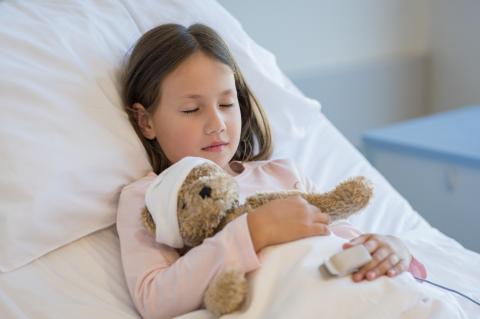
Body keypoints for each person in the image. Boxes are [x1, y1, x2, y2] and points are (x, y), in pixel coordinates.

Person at [117, 23, 426, 319]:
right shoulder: (148, 198)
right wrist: (253, 232)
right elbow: (155, 299)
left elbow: (344, 238)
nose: (217, 124)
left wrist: (394, 252)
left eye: (226, 104)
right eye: (191, 110)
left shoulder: (283, 174)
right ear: (146, 121)